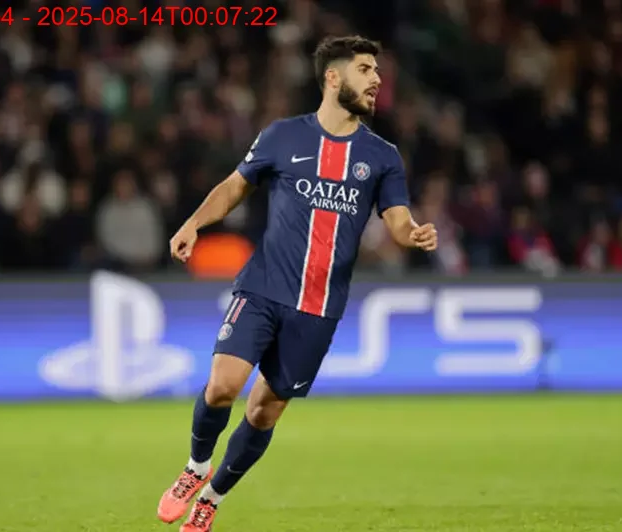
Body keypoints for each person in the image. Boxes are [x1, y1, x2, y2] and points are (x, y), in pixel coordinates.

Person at [157, 35, 438, 531]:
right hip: (263, 287)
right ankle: (196, 468)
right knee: (222, 387)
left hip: (318, 308)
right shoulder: (283, 135)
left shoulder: (383, 156)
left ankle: (212, 499)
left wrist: (411, 233)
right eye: (365, 69)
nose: (376, 80)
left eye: (377, 71)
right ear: (333, 77)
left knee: (263, 413)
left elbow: (396, 218)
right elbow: (235, 186)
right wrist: (194, 223)